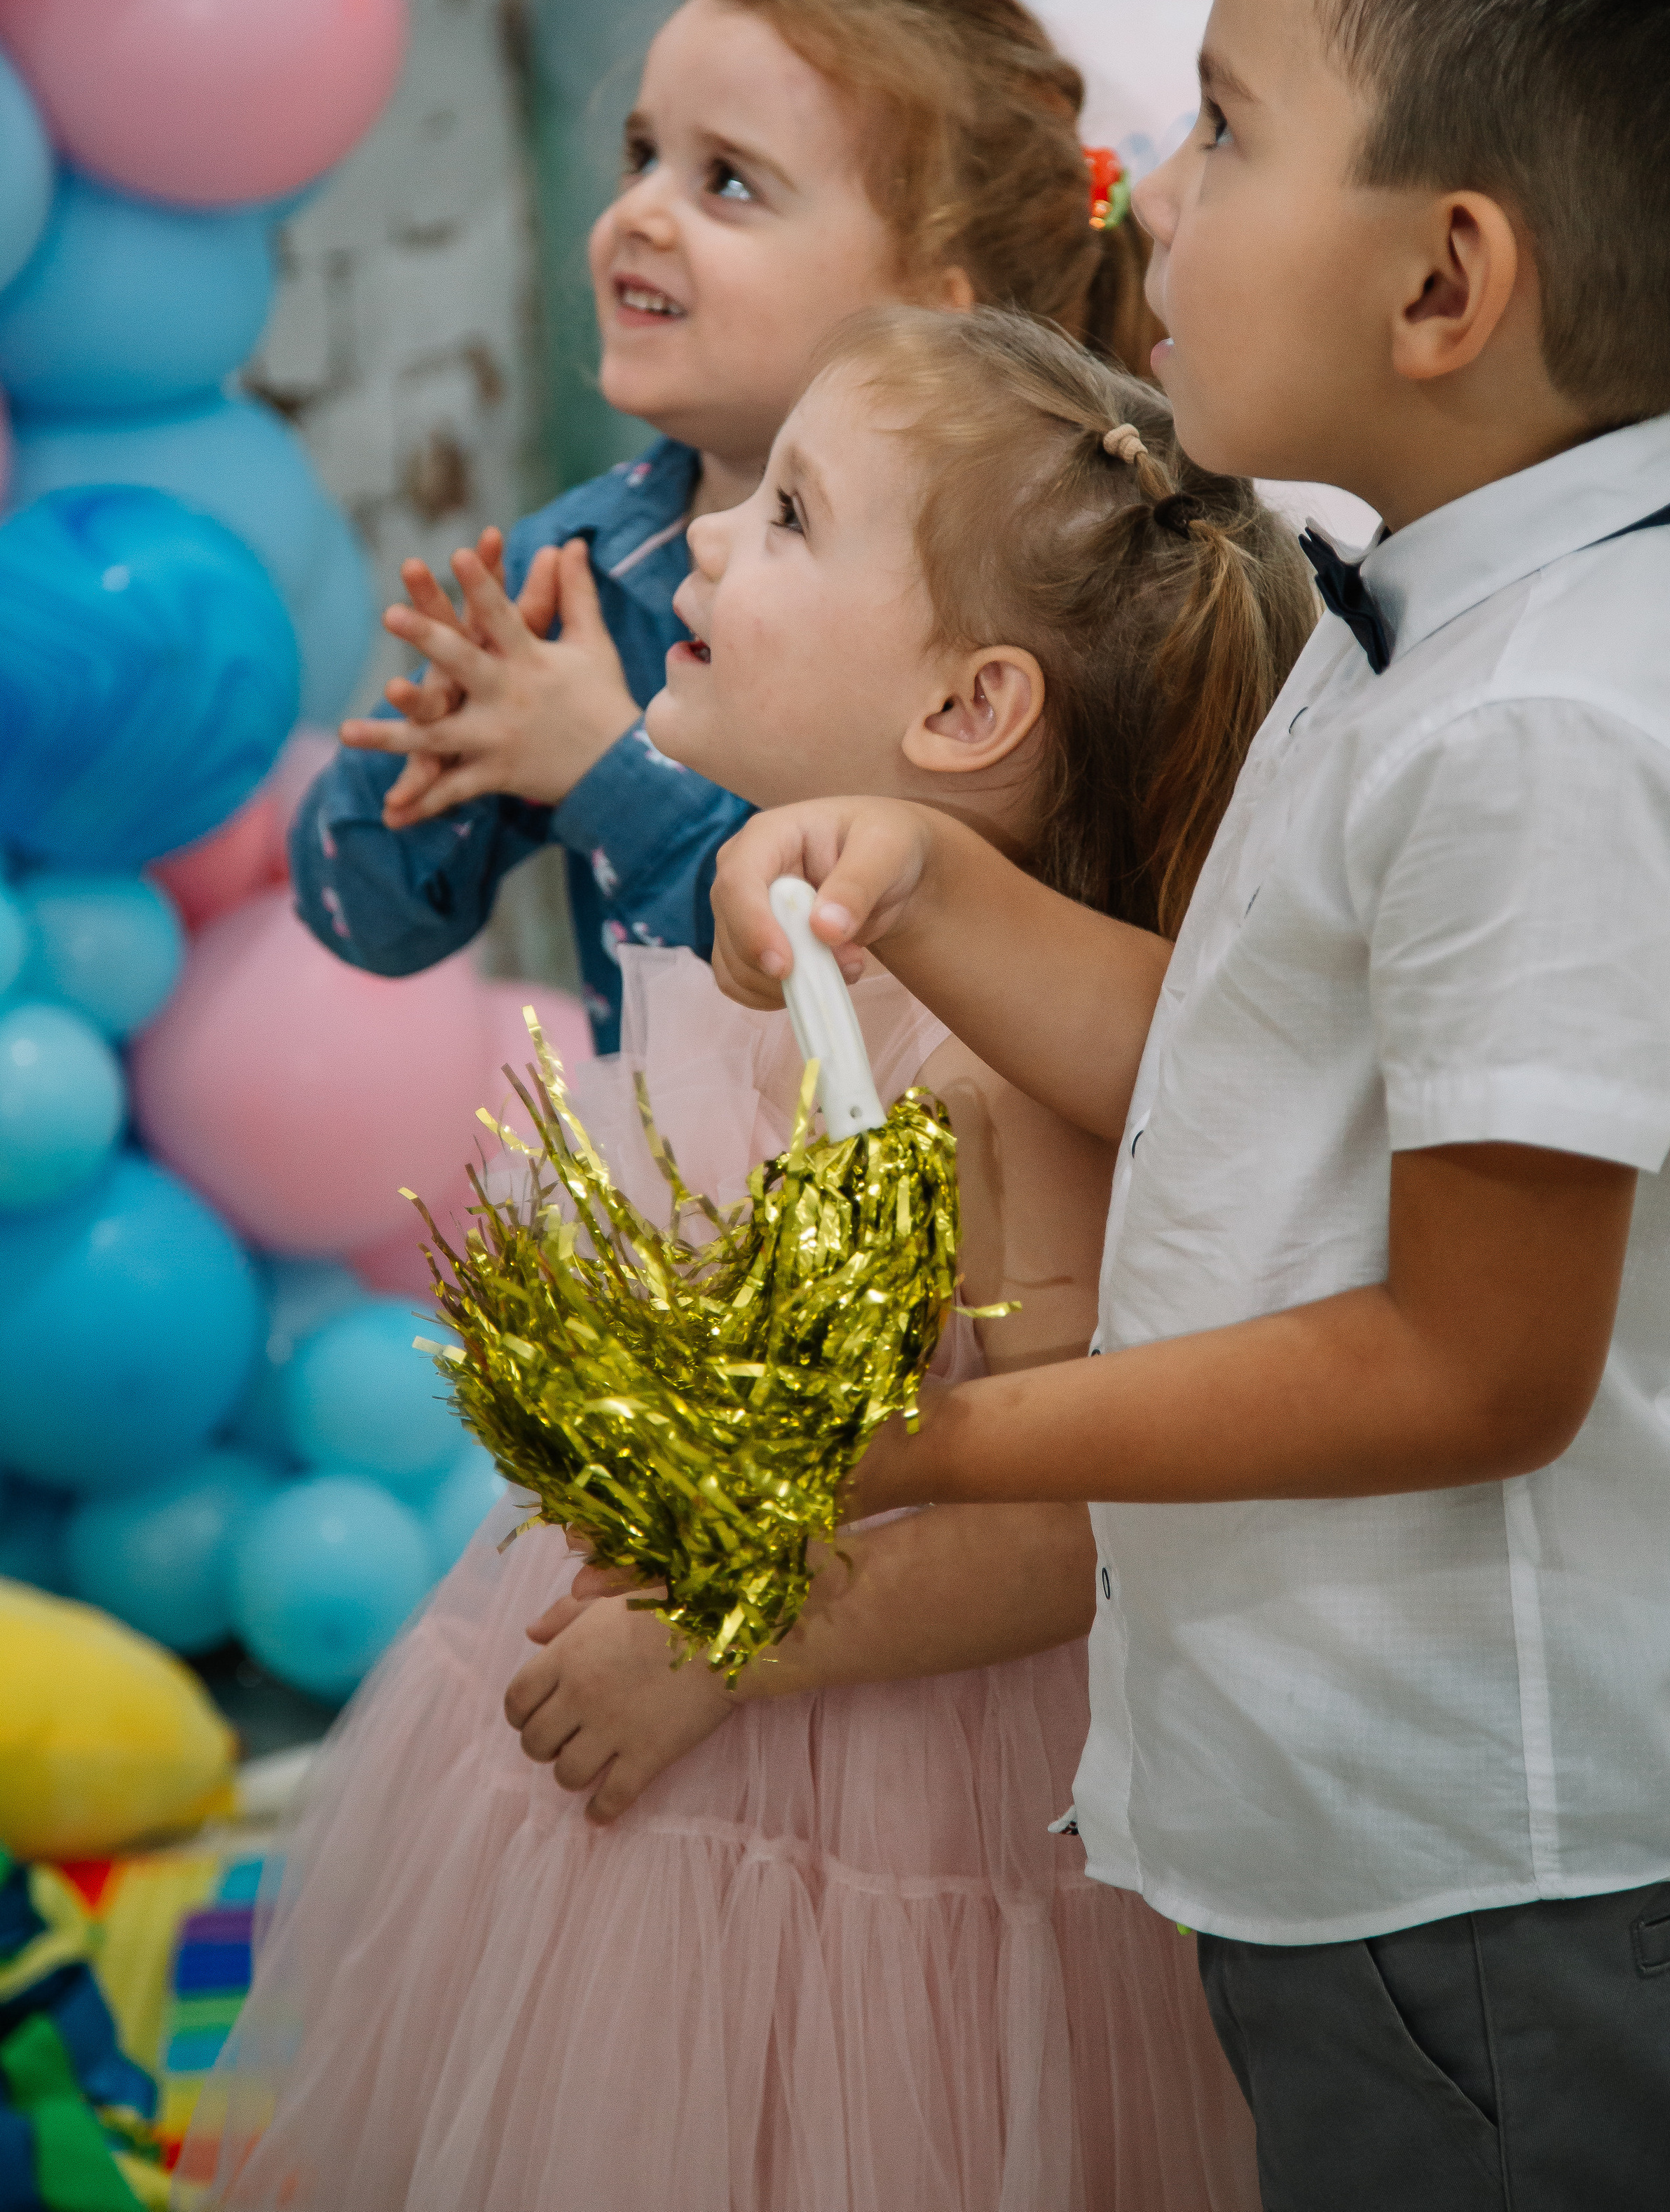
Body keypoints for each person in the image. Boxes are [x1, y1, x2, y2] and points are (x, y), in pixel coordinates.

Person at [704, 0, 1670, 2210]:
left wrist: (950, 1442)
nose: (1148, 193)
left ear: (1444, 280)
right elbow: (1269, 1088)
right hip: (1379, 1828)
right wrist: (943, 889)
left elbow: (1474, 1358)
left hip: (1505, 1869)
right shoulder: (1436, 605)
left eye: (1217, 128)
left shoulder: (1556, 730)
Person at [179, 306, 1314, 2212]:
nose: (695, 545)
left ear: (966, 711)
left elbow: (1067, 1532)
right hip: (629, 1726)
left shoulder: (1007, 1083)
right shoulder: (769, 938)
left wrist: (715, 1647)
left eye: (785, 517)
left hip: (859, 1783)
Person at [288, 0, 1162, 1050]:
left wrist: (608, 769)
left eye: (729, 182)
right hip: (689, 1207)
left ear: (941, 317)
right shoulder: (583, 579)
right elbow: (363, 919)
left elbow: (833, 979)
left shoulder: (1050, 596)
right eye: (642, 154)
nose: (643, 213)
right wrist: (438, 745)